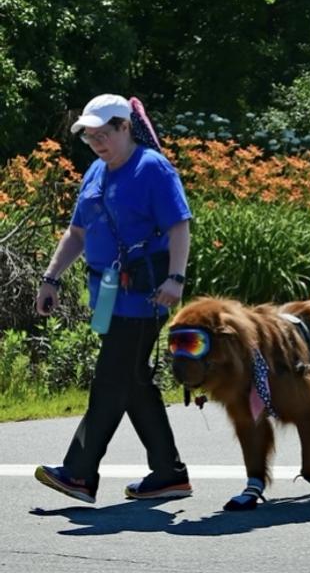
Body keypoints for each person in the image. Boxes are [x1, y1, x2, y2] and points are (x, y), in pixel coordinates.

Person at [34, 93, 193, 504]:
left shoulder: (153, 169)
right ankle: (169, 474)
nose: (97, 143)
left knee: (110, 380)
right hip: (108, 295)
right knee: (134, 382)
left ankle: (79, 473)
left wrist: (176, 279)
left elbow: (179, 227)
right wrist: (50, 278)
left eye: (104, 134)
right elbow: (77, 234)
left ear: (126, 127)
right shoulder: (95, 172)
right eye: (89, 137)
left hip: (146, 296)